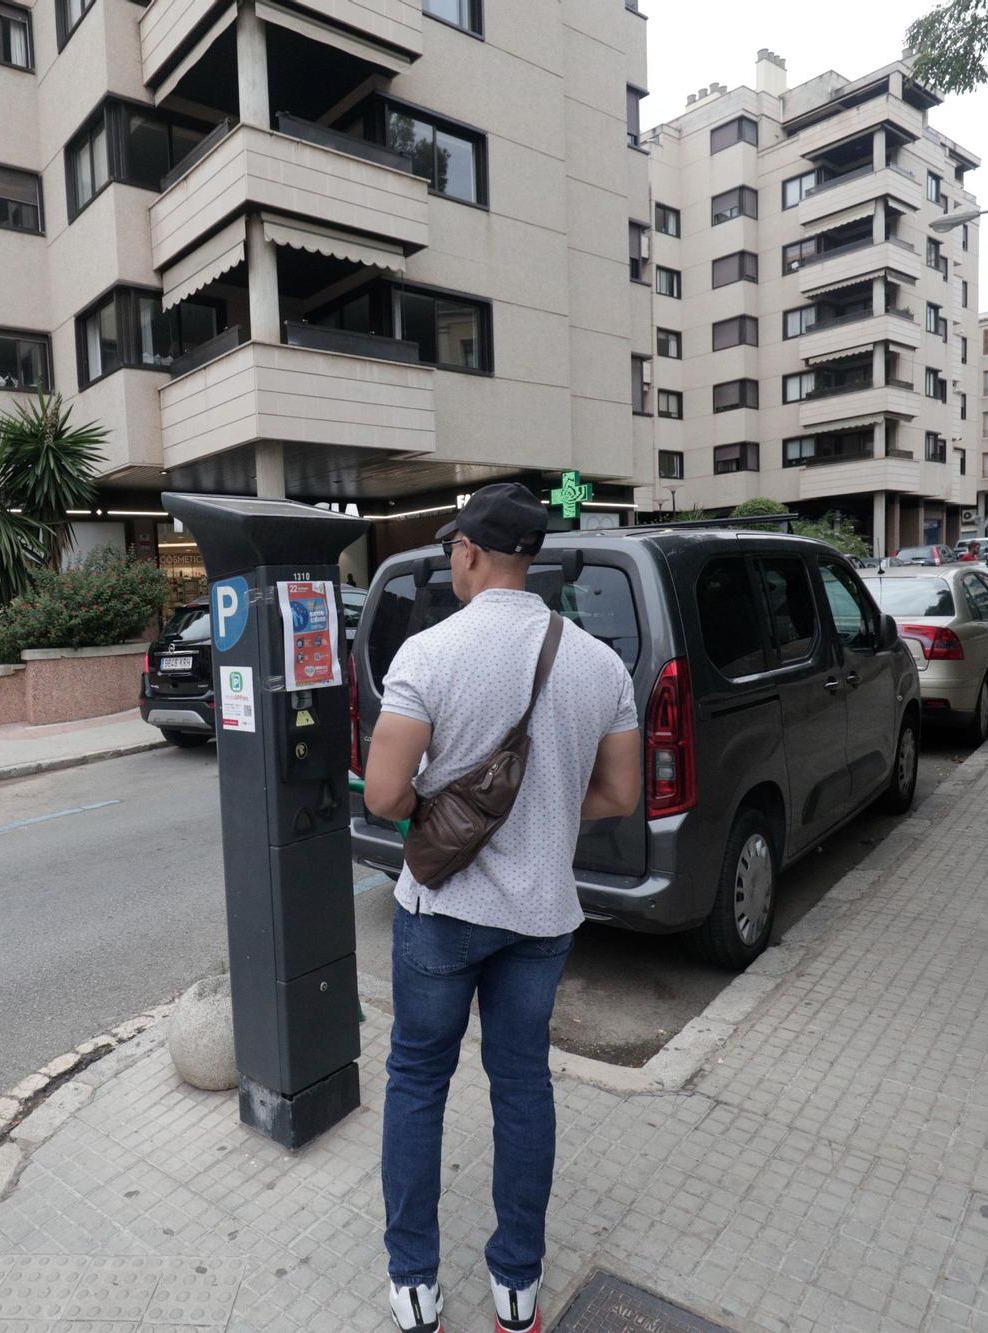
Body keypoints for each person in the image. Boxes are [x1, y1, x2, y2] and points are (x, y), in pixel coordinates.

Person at [363, 483, 644, 1333]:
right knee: (522, 1086)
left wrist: (449, 810)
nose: (453, 557)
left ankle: (414, 1282)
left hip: (442, 909)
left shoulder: (428, 655)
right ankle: (517, 1283)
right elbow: (621, 794)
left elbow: (381, 796)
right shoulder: (599, 663)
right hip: (543, 918)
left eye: (455, 546)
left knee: (417, 1081)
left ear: (473, 554)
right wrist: (542, 811)